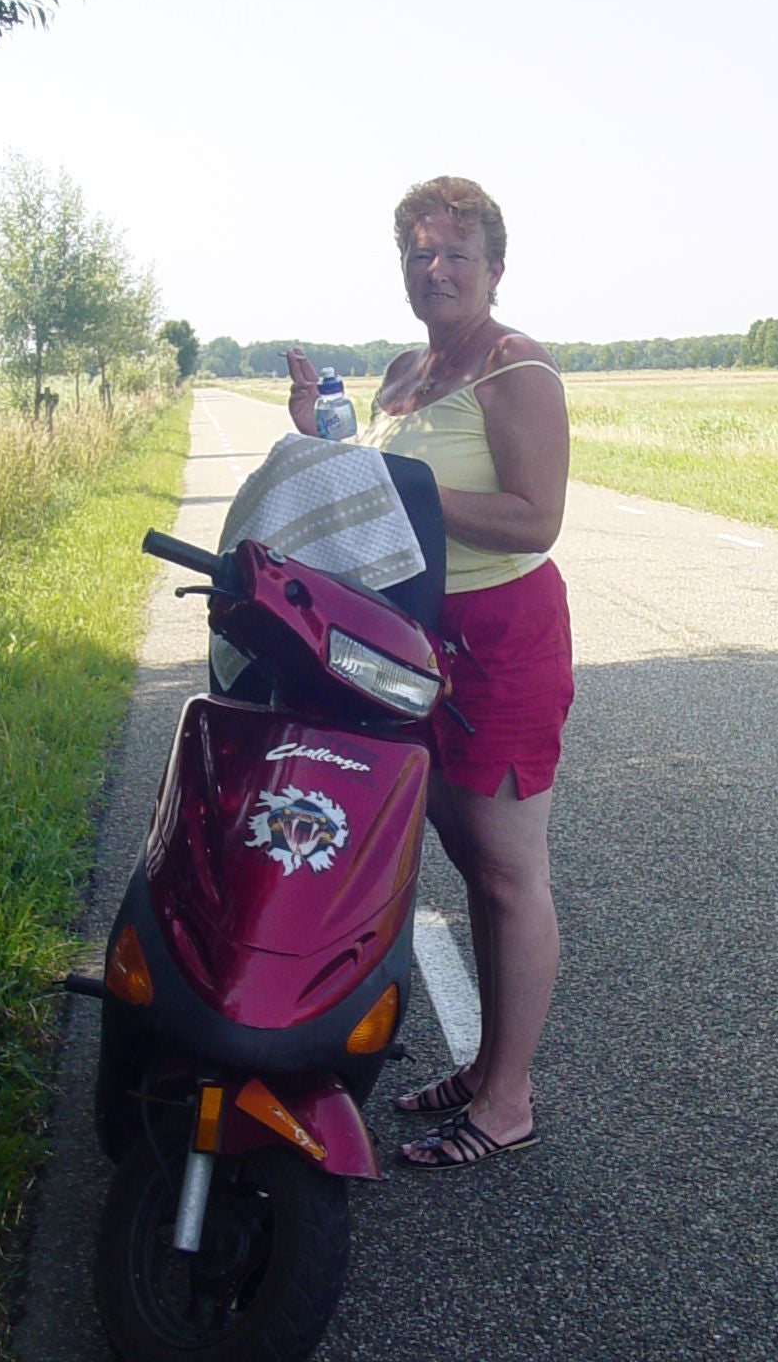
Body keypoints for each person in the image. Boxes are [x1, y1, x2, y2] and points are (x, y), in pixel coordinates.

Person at [286, 175, 573, 1170]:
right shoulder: (406, 369)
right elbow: (369, 494)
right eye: (418, 251)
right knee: (465, 854)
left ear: (495, 268)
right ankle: (487, 1062)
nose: (435, 268)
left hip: (502, 637)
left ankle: (508, 1098)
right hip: (411, 637)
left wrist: (402, 485)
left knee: (509, 871)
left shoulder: (514, 365)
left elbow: (535, 518)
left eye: (455, 252)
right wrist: (322, 438)